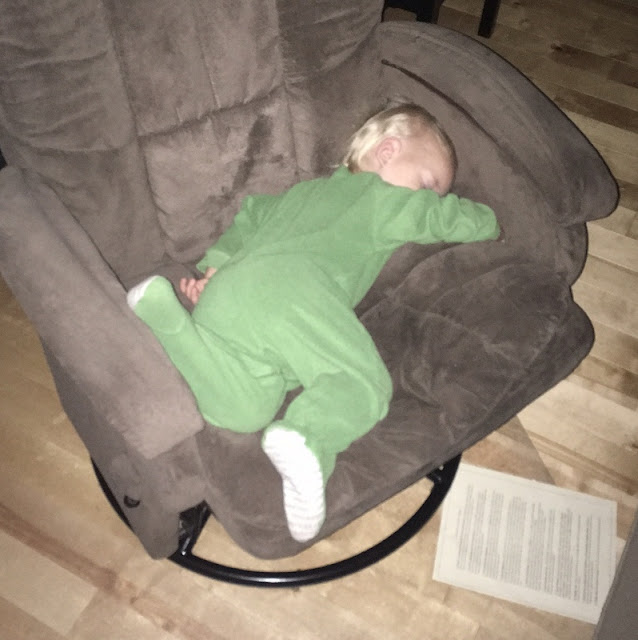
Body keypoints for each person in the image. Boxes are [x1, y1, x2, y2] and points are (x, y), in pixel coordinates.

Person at [127, 104, 500, 543]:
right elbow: (451, 220)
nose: (430, 198)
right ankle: (307, 437)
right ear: (387, 152)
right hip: (293, 291)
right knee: (362, 382)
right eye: (429, 185)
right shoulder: (382, 198)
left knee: (247, 410)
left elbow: (250, 216)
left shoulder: (301, 194)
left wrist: (214, 268)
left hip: (227, 297)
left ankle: (169, 320)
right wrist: (488, 220)